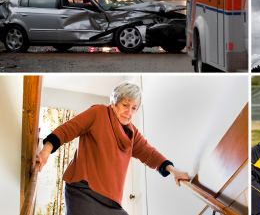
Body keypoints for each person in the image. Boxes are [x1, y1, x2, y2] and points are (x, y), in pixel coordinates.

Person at [36, 82, 190, 215]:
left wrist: (174, 171)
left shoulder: (132, 133)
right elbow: (67, 130)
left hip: (111, 201)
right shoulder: (98, 113)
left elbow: (150, 154)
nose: (129, 112)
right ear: (114, 102)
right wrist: (44, 153)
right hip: (83, 190)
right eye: (125, 105)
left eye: (134, 108)